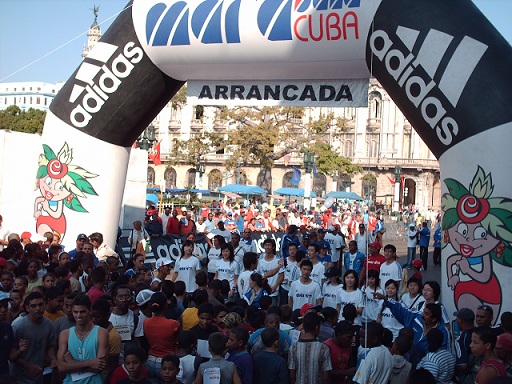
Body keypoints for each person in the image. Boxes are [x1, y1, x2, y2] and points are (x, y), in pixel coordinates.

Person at [57, 294, 109, 384]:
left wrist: (72, 362)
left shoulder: (101, 333)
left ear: (90, 311)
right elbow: (61, 367)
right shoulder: (65, 334)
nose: (79, 316)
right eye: (76, 312)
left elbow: (99, 367)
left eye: (82, 312)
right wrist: (89, 363)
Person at [12, 291, 58, 384]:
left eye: (41, 305)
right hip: (19, 377)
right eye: (34, 306)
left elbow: (50, 345)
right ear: (27, 308)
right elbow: (11, 355)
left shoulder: (49, 324)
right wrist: (27, 366)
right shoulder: (18, 326)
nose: (38, 308)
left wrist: (53, 359)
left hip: (40, 374)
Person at [144, 292, 180, 384]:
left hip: (150, 360)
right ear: (165, 305)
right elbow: (180, 339)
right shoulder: (173, 324)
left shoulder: (146, 322)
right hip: (167, 364)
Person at [288, 312, 332, 384]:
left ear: (303, 326)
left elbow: (292, 376)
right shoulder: (323, 348)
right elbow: (326, 377)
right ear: (317, 327)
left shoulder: (293, 347)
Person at [91, 298, 121, 383]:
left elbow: (113, 364)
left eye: (97, 317)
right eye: (92, 316)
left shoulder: (114, 337)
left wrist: (106, 381)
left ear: (107, 315)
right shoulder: (91, 329)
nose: (94, 319)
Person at [0, 291, 28, 375]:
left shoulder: (7, 327)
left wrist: (20, 350)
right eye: (0, 307)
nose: (3, 310)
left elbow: (11, 356)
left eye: (5, 306)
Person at [257, 239, 284, 306]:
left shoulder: (278, 260)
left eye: (269, 245)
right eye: (266, 245)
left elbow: (282, 276)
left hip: (274, 292)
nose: (267, 247)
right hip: (263, 292)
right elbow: (258, 276)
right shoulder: (260, 261)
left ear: (273, 247)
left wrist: (275, 286)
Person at [454, 308, 476, 380]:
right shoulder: (479, 333)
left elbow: (462, 365)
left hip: (467, 376)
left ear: (460, 320)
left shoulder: (461, 339)